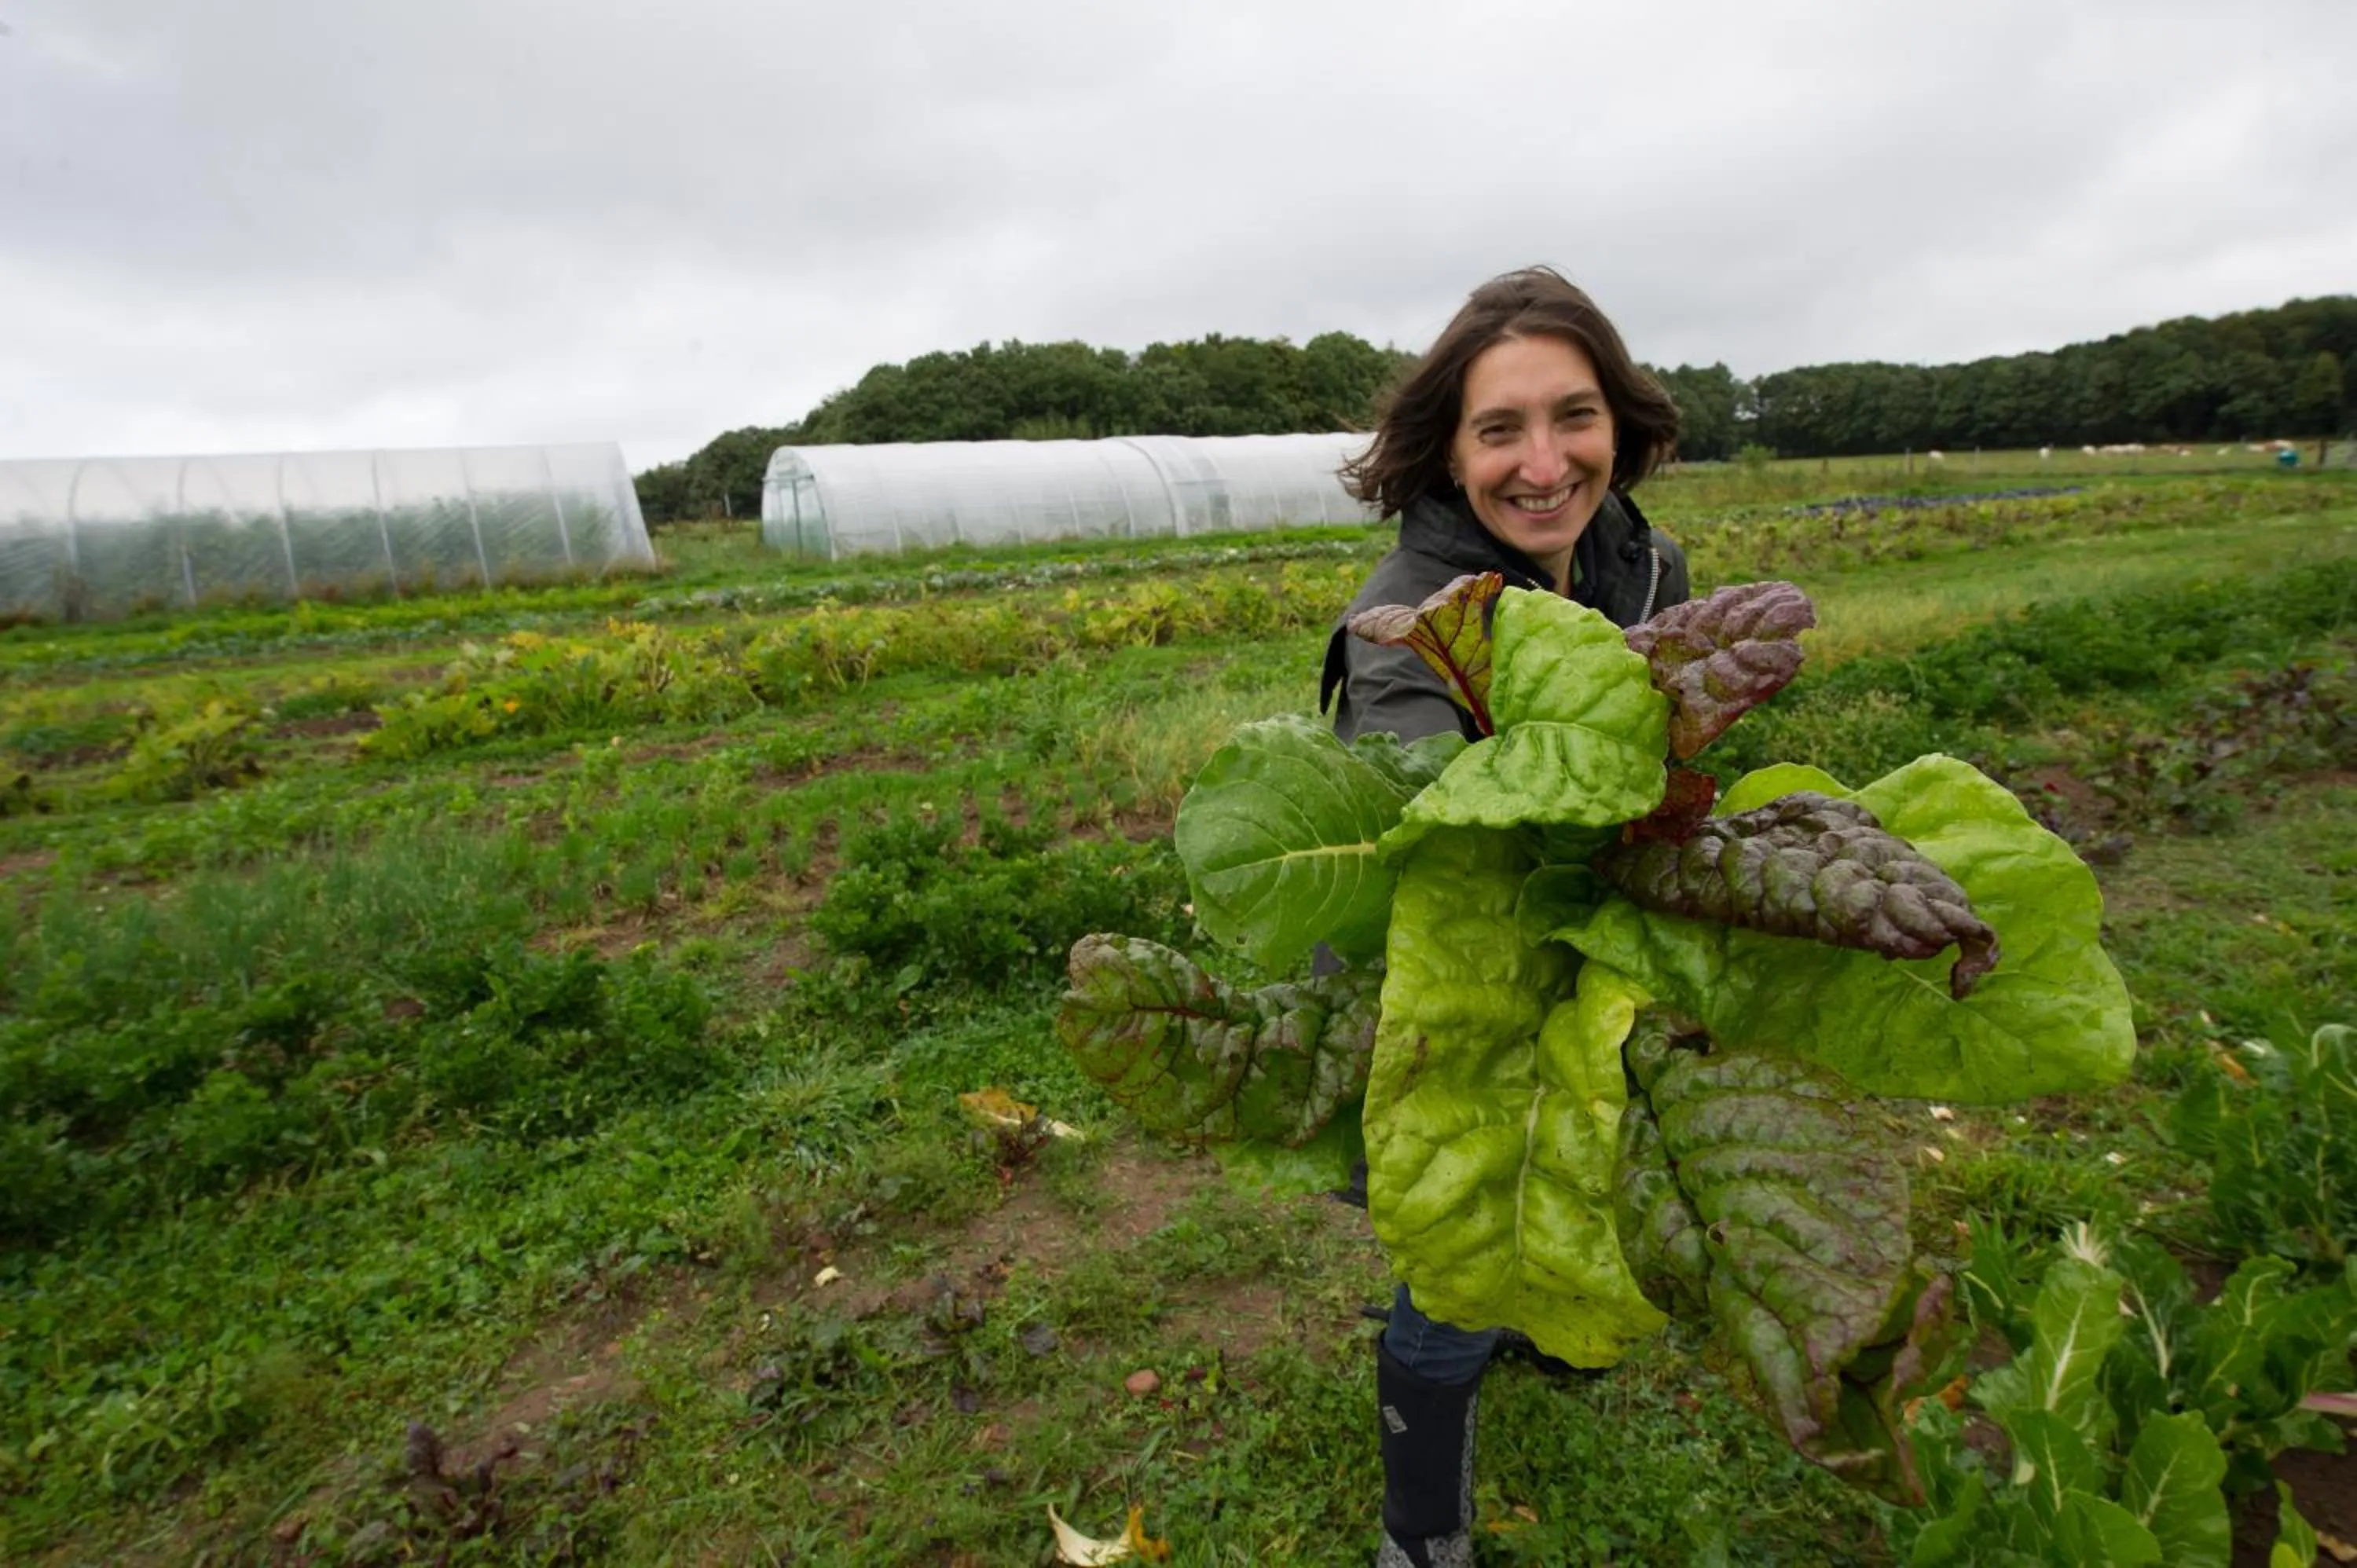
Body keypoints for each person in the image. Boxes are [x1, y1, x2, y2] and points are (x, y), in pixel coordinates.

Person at [1318, 265, 1692, 1568]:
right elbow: (1446, 818)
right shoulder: (1413, 619)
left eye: (1573, 417)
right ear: (1447, 450)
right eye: (1500, 431)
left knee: (1568, 1177)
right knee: (1457, 1254)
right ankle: (1418, 1535)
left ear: (1619, 422)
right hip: (1453, 978)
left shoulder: (1641, 560)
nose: (1546, 463)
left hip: (1588, 952)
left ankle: (1534, 1314)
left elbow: (1668, 745)